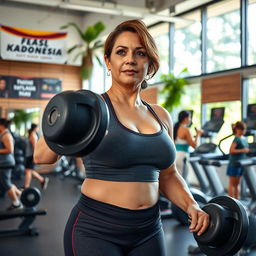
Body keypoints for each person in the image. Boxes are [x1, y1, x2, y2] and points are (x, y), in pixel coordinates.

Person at [34, 19, 209, 256]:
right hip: (95, 229)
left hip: (149, 229)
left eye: (140, 53)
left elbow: (168, 175)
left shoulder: (160, 116)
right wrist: (68, 123)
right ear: (108, 61)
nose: (130, 60)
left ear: (150, 63)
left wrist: (191, 205)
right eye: (121, 52)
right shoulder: (90, 108)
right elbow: (41, 157)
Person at [0, 118, 22, 210]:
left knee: (6, 183)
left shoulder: (6, 135)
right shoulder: (3, 134)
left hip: (6, 162)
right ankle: (22, 195)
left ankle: (16, 204)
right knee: (6, 182)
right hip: (4, 162)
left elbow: (10, 150)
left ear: (1, 125)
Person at [174, 110, 203, 179]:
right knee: (183, 179)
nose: (190, 120)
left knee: (177, 178)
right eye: (190, 117)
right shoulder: (186, 130)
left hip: (175, 156)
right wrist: (198, 134)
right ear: (185, 119)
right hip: (182, 156)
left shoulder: (175, 128)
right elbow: (195, 145)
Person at [227, 121, 249, 199]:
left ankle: (237, 202)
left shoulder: (244, 139)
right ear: (236, 129)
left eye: (244, 130)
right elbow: (231, 150)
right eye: (241, 129)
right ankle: (231, 201)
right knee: (232, 183)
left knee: (237, 183)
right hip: (234, 163)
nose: (243, 131)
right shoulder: (236, 139)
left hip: (241, 164)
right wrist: (242, 150)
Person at [23, 123, 49, 190]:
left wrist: (34, 157)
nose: (38, 129)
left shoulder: (33, 135)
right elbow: (34, 147)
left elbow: (35, 148)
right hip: (30, 155)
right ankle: (42, 180)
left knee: (28, 171)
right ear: (35, 128)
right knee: (29, 171)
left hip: (30, 156)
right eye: (37, 128)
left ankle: (26, 187)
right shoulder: (32, 135)